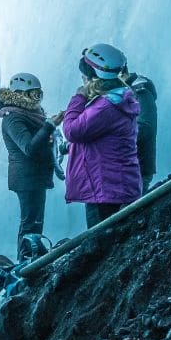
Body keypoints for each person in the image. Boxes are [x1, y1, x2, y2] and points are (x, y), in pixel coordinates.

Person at [60, 43, 142, 229]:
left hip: (104, 188)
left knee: (102, 241)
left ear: (93, 78)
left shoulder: (105, 106)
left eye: (84, 77)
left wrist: (78, 98)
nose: (83, 82)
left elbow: (72, 131)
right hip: (115, 185)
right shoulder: (120, 98)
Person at [0, 72, 55, 260]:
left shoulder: (26, 114)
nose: (37, 98)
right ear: (20, 94)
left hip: (33, 176)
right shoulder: (13, 118)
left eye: (39, 94)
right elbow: (28, 148)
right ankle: (25, 260)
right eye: (33, 94)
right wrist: (49, 127)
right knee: (31, 222)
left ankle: (31, 256)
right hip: (26, 177)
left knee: (34, 220)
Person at [123, 69, 158, 195]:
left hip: (139, 171)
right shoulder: (137, 99)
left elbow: (143, 128)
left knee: (130, 211)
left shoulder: (143, 95)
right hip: (137, 170)